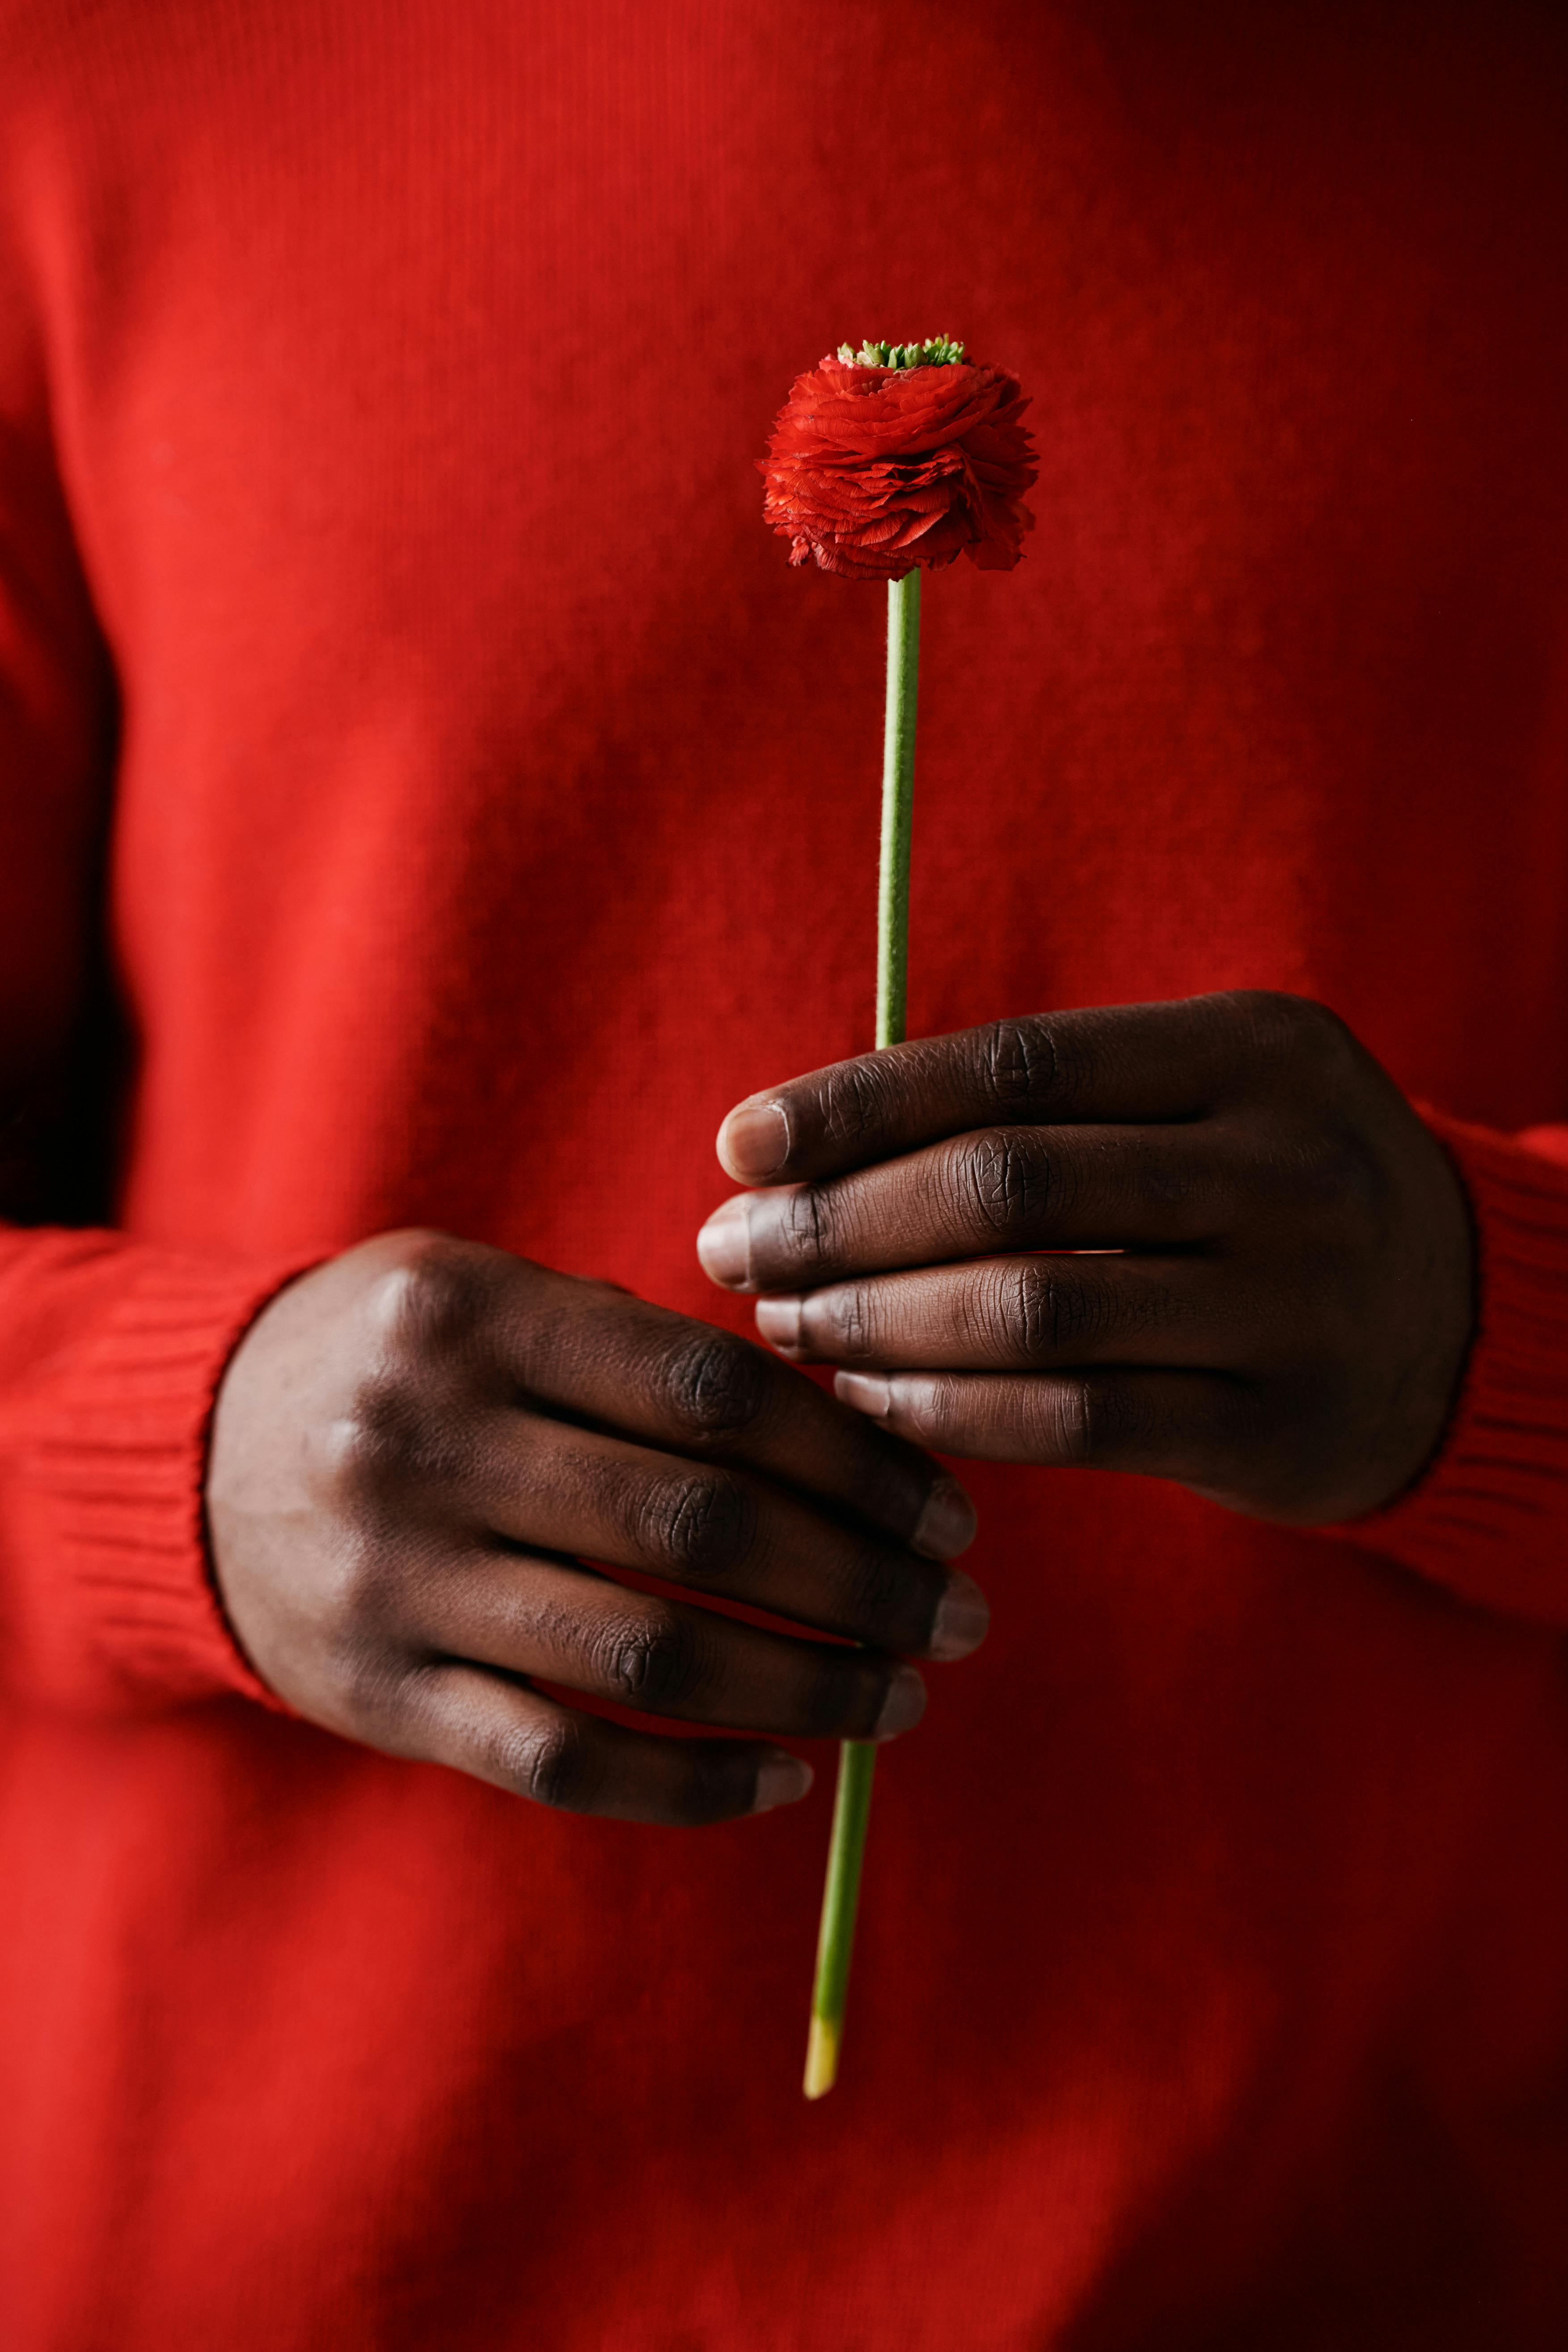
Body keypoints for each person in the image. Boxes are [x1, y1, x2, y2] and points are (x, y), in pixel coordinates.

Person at [2, 2, 1566, 2344]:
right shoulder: (83, 91)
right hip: (282, 2252)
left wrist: (1500, 1323)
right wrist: (166, 1448)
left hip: (1347, 2242)